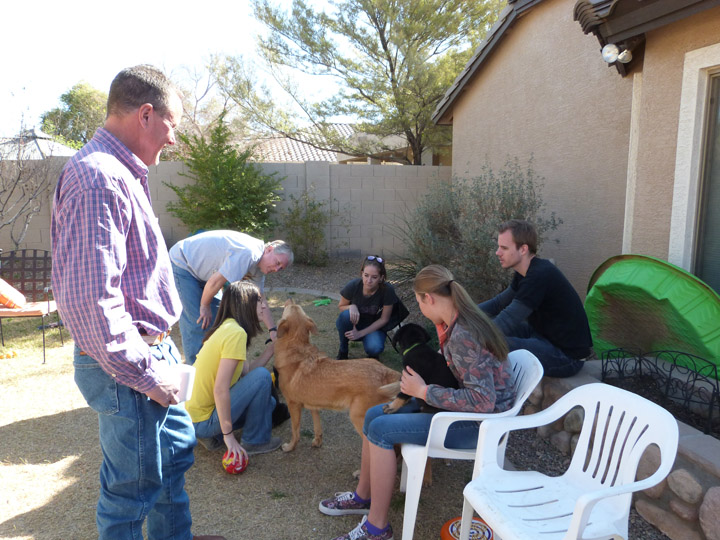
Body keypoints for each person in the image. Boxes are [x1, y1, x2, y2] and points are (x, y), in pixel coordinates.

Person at [51, 65, 224, 540]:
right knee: (131, 492)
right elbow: (93, 303)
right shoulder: (98, 179)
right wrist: (148, 375)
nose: (173, 140)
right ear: (146, 114)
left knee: (170, 467)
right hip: (130, 364)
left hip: (150, 353)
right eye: (172, 126)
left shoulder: (120, 172)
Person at [320, 264, 515, 540]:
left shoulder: (464, 335)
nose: (419, 309)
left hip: (480, 425)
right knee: (373, 415)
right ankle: (362, 496)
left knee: (380, 430)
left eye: (419, 302)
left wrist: (424, 392)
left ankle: (377, 528)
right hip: (463, 411)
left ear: (429, 298)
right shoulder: (457, 322)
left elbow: (483, 400)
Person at [478, 219, 593, 378]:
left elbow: (509, 318)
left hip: (566, 356)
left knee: (490, 344)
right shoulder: (525, 273)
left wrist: (473, 336)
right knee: (487, 336)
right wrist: (463, 313)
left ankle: (480, 395)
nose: (497, 252)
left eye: (504, 248)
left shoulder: (539, 275)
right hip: (541, 336)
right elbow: (498, 303)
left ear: (523, 249)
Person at [185, 280, 282, 455]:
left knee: (270, 403)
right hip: (202, 421)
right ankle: (255, 441)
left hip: (195, 417)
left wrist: (272, 349)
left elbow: (246, 373)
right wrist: (229, 437)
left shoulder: (230, 327)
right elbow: (221, 389)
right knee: (262, 376)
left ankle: (214, 434)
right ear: (246, 304)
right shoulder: (236, 333)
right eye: (259, 301)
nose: (264, 306)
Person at [168, 230, 293, 364]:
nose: (276, 269)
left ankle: (213, 364)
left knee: (219, 318)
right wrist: (204, 306)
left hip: (205, 274)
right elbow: (215, 282)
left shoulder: (258, 267)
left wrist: (272, 330)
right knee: (197, 321)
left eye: (281, 268)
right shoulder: (249, 253)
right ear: (269, 250)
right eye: (277, 262)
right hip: (183, 264)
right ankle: (195, 372)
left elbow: (260, 299)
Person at [336, 255, 400, 360]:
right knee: (345, 315)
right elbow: (341, 306)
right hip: (354, 323)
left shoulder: (387, 290)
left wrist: (360, 333)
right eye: (366, 275)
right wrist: (351, 306)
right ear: (362, 274)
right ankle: (343, 349)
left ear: (381, 277)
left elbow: (384, 319)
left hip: (374, 327)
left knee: (375, 347)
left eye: (374, 277)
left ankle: (372, 354)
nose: (369, 280)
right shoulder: (353, 285)